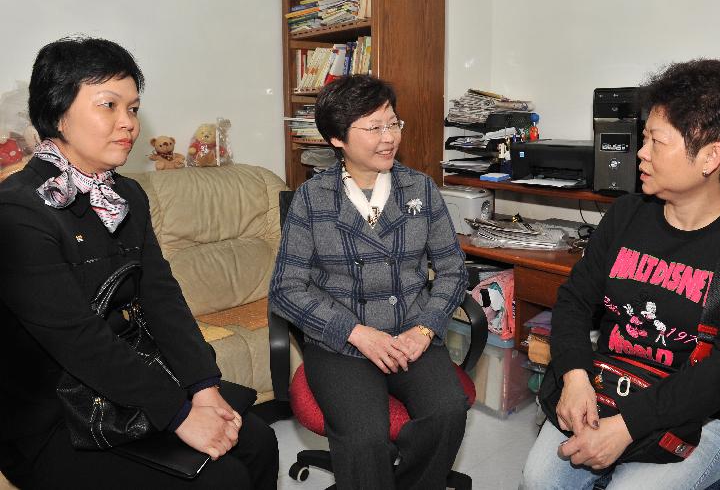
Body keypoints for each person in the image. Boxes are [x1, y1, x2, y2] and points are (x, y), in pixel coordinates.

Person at [0, 37, 278, 490]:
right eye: (108, 105)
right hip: (52, 415)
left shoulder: (125, 196)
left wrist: (204, 387)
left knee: (258, 440)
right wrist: (179, 412)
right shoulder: (18, 213)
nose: (127, 123)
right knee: (220, 478)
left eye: (132, 108)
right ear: (57, 112)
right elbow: (79, 340)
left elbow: (162, 297)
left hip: (124, 390)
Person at [521, 59, 720, 489]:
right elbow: (574, 300)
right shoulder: (627, 215)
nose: (641, 152)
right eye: (643, 137)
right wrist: (575, 376)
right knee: (539, 480)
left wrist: (627, 426)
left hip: (703, 415)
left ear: (710, 157)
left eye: (656, 141)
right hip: (612, 381)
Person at [269, 74, 469, 489]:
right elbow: (286, 289)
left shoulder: (421, 189)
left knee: (447, 412)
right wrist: (356, 333)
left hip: (411, 333)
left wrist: (425, 327)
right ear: (336, 139)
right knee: (364, 437)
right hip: (344, 342)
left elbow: (452, 270)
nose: (388, 137)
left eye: (393, 123)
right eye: (373, 127)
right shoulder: (313, 198)